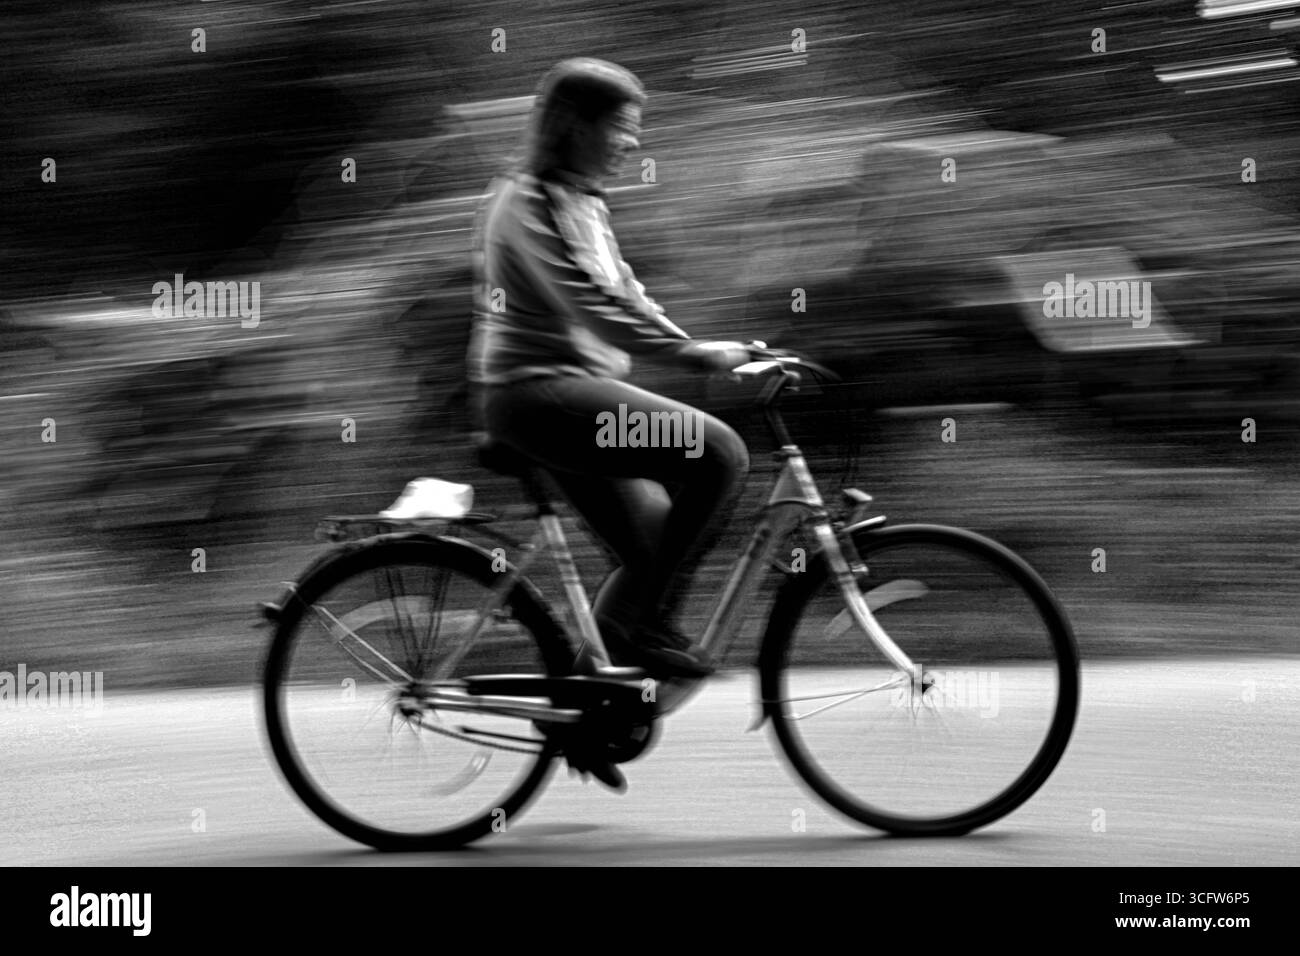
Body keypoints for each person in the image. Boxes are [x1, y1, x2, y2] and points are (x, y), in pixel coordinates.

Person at [468, 58, 751, 682]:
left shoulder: (582, 203)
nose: (633, 141)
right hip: (538, 397)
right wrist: (694, 356)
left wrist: (710, 346)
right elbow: (587, 302)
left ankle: (584, 706)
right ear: (572, 125)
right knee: (719, 454)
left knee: (651, 549)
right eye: (622, 126)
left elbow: (625, 292)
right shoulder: (525, 201)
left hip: (571, 398)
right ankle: (639, 632)